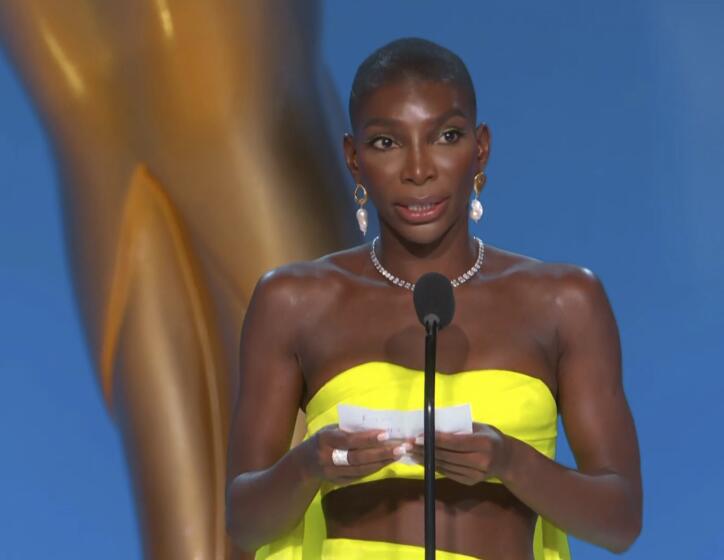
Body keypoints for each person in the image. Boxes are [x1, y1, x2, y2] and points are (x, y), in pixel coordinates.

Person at [225, 37, 642, 560]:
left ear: (481, 147)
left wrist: (508, 463)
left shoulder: (566, 301)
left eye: (445, 136)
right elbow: (243, 521)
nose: (418, 169)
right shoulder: (292, 301)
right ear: (354, 160)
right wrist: (310, 465)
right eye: (386, 143)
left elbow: (620, 520)